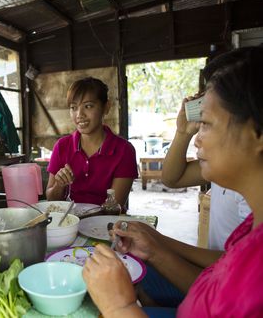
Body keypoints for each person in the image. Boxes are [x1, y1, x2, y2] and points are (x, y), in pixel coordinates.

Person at [82, 46, 263, 317]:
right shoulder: (251, 228)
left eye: (206, 123)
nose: (198, 138)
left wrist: (120, 306)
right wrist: (155, 247)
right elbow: (218, 283)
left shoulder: (255, 276)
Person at [162, 98, 251, 250]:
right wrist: (183, 133)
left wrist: (157, 245)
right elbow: (172, 179)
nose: (197, 140)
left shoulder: (251, 185)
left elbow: (237, 263)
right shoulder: (222, 165)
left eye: (207, 125)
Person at [46, 77, 138, 207]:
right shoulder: (62, 146)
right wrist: (59, 185)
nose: (79, 114)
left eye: (88, 106)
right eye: (73, 107)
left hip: (107, 224)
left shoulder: (124, 150)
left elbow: (114, 205)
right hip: (69, 222)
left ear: (106, 107)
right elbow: (51, 200)